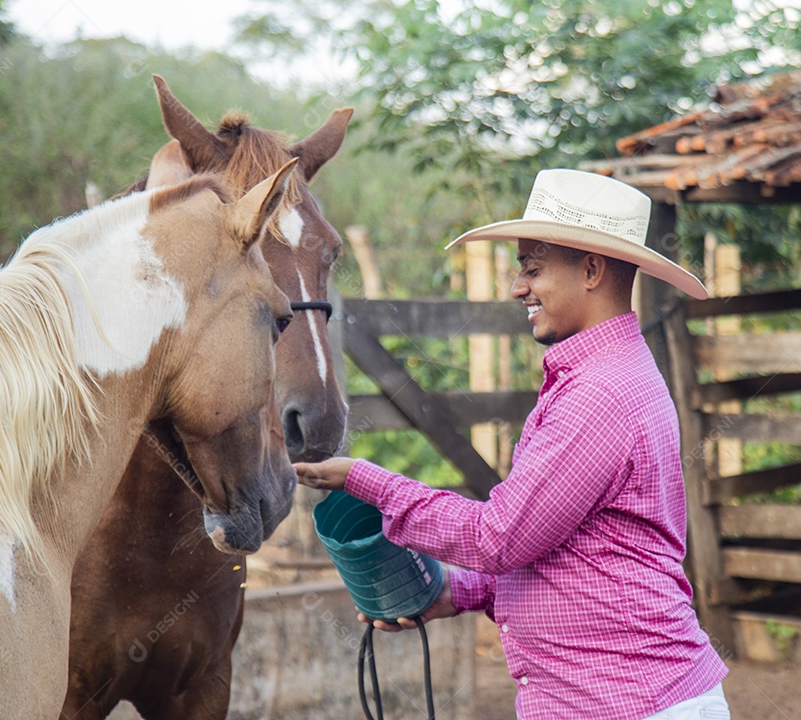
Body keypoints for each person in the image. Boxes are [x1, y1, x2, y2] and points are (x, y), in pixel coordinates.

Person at [294, 169, 730, 720]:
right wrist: (458, 590)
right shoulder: (604, 376)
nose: (517, 286)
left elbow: (498, 537)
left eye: (533, 268)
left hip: (627, 702)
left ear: (592, 269)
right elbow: (570, 556)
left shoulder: (599, 393)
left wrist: (366, 482)